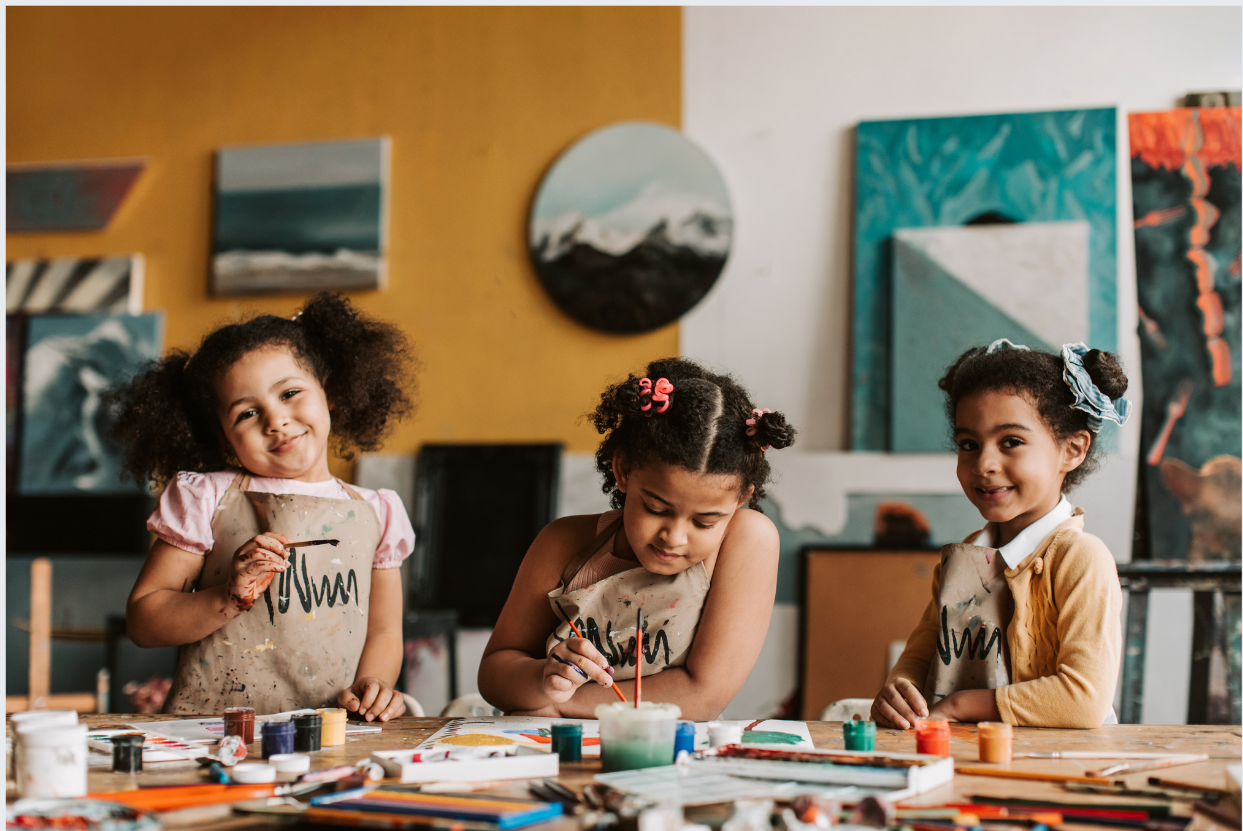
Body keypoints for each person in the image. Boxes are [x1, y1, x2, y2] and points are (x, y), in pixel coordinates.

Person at [109, 293, 416, 720]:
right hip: (212, 733)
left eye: (290, 392)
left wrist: (375, 687)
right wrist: (227, 598)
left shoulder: (378, 512)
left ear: (329, 391)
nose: (275, 421)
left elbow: (383, 631)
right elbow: (143, 621)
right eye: (247, 413)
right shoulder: (205, 497)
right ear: (221, 437)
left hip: (329, 738)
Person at [478, 357, 796, 719]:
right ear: (623, 471)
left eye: (705, 522)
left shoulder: (747, 542)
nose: (674, 537)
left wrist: (560, 704)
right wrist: (542, 679)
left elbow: (703, 696)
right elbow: (494, 671)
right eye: (657, 509)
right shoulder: (562, 543)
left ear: (740, 500)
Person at [872, 340, 1130, 729]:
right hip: (971, 757)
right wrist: (899, 690)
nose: (984, 464)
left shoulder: (1082, 559)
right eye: (968, 445)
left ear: (1072, 449)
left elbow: (1084, 700)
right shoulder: (963, 561)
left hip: (1064, 768)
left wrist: (961, 706)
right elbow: (921, 656)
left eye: (1011, 442)